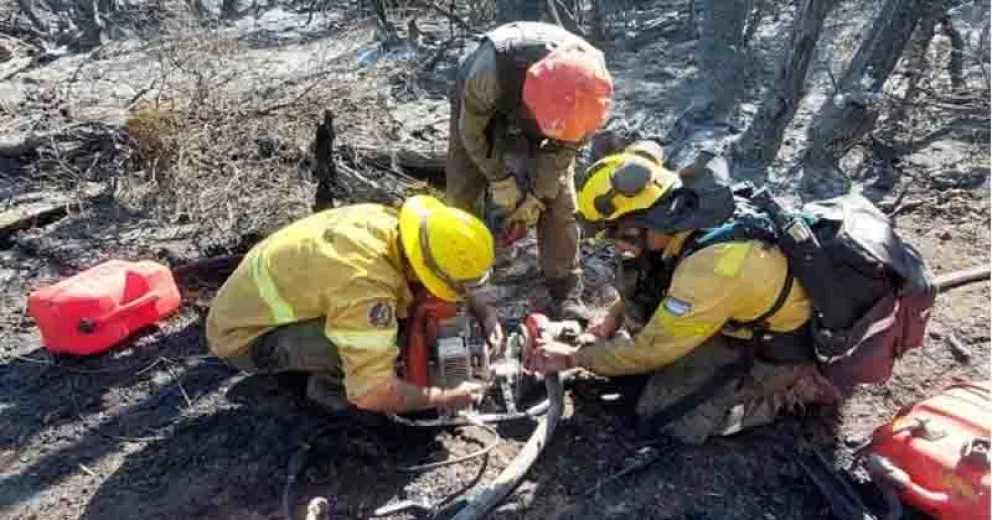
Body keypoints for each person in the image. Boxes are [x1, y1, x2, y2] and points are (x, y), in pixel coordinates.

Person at [527, 141, 842, 445]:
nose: (614, 243)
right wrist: (609, 321)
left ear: (643, 220)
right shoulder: (680, 211)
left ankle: (792, 390)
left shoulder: (712, 268)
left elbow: (651, 351)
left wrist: (571, 358)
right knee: (640, 279)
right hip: (728, 310)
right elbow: (652, 282)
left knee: (666, 416)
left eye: (615, 231)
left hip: (778, 345)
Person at [206, 195, 503, 414]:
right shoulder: (363, 286)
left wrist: (484, 312)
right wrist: (444, 396)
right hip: (244, 337)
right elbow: (373, 392)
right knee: (383, 347)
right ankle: (329, 388)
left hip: (252, 301)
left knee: (392, 324)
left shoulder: (393, 226)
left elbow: (441, 267)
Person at [446, 20, 614, 321]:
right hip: (486, 96)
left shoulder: (592, 92)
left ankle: (565, 289)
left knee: (560, 201)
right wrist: (499, 178)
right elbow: (473, 136)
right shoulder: (488, 75)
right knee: (462, 186)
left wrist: (536, 197)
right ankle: (457, 282)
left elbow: (564, 152)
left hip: (551, 106)